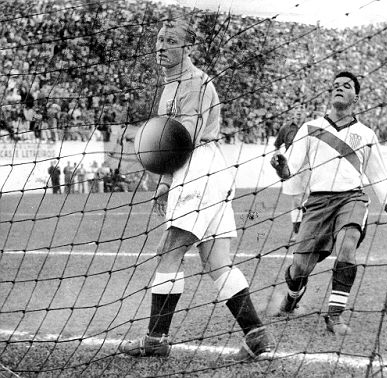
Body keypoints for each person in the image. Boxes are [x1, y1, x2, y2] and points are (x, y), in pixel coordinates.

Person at [118, 16, 275, 361]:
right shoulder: (174, 83)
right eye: (159, 39)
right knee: (215, 258)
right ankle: (256, 334)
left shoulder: (191, 82)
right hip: (214, 170)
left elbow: (180, 139)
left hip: (196, 167)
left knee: (169, 251)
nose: (161, 45)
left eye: (171, 40)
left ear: (187, 47)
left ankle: (156, 339)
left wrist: (163, 181)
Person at [270, 72, 387, 335]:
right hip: (316, 203)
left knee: (347, 247)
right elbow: (291, 168)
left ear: (356, 97)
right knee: (300, 267)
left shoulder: (366, 134)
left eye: (346, 86)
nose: (339, 89)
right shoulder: (310, 128)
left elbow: (378, 176)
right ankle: (292, 299)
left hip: (352, 198)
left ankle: (335, 317)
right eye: (335, 86)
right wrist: (281, 168)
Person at [273, 101, 309, 243]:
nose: (299, 111)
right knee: (296, 201)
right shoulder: (286, 128)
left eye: (302, 107)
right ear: (292, 112)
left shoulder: (311, 127)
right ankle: (297, 233)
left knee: (311, 199)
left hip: (309, 167)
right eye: (296, 108)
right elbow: (277, 146)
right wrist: (277, 159)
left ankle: (311, 229)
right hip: (292, 167)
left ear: (306, 111)